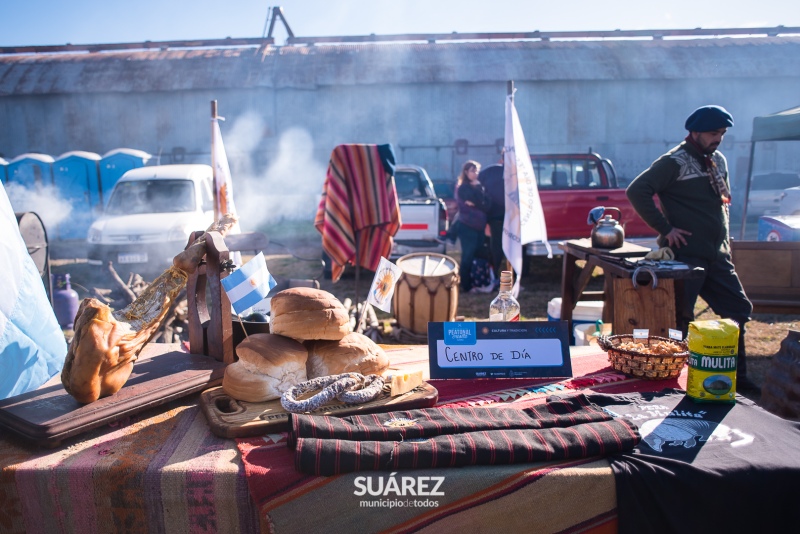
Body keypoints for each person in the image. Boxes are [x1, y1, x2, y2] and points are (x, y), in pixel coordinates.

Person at [626, 104, 758, 392]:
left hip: (717, 255)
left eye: (722, 133)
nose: (718, 138)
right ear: (695, 132)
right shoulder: (675, 161)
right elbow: (637, 190)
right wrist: (666, 229)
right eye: (713, 133)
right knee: (679, 317)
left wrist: (723, 240)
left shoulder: (718, 159)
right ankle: (675, 379)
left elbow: (722, 205)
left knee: (737, 309)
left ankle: (739, 378)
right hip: (686, 254)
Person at [453, 160, 490, 293]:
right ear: (466, 172)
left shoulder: (480, 186)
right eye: (472, 171)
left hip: (480, 226)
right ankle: (465, 285)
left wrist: (478, 200)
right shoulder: (463, 188)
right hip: (467, 225)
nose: (475, 174)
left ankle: (478, 282)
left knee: (479, 254)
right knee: (467, 256)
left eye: (477, 171)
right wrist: (479, 201)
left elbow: (486, 204)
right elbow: (472, 202)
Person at [479, 163, 506, 285]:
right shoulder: (491, 171)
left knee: (500, 248)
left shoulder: (517, 173)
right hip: (495, 218)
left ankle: (496, 275)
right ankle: (493, 275)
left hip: (508, 218)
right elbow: (474, 186)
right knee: (495, 248)